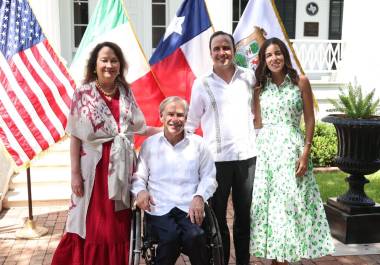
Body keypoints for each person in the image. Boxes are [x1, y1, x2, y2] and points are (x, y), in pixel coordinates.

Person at [52, 42, 160, 265]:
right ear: (94, 65)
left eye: (114, 60)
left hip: (121, 172)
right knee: (93, 227)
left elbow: (138, 128)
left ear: (120, 66)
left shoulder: (126, 92)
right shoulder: (83, 94)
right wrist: (74, 174)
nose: (109, 65)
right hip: (94, 173)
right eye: (104, 60)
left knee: (118, 228)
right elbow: (75, 136)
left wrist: (165, 131)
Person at [250, 37, 335, 265]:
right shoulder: (260, 87)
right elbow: (257, 122)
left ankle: (284, 260)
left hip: (292, 151)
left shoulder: (301, 82)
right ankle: (278, 259)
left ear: (284, 55)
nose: (274, 58)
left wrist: (306, 152)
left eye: (277, 53)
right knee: (271, 208)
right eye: (268, 55)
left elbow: (309, 119)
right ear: (264, 60)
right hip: (267, 153)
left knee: (290, 206)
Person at [186, 31, 257, 265]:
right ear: (210, 53)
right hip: (216, 161)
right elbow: (191, 124)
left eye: (226, 47)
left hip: (247, 158)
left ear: (234, 50)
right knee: (217, 221)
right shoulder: (202, 84)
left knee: (243, 218)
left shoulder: (249, 78)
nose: (221, 52)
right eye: (216, 49)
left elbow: (260, 114)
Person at [131, 96, 217, 265]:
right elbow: (139, 177)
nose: (175, 119)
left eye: (180, 115)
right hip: (159, 206)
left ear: (186, 118)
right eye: (170, 114)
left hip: (189, 205)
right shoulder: (149, 145)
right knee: (170, 238)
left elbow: (209, 176)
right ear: (161, 117)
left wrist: (200, 197)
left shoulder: (199, 144)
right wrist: (140, 191)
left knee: (196, 237)